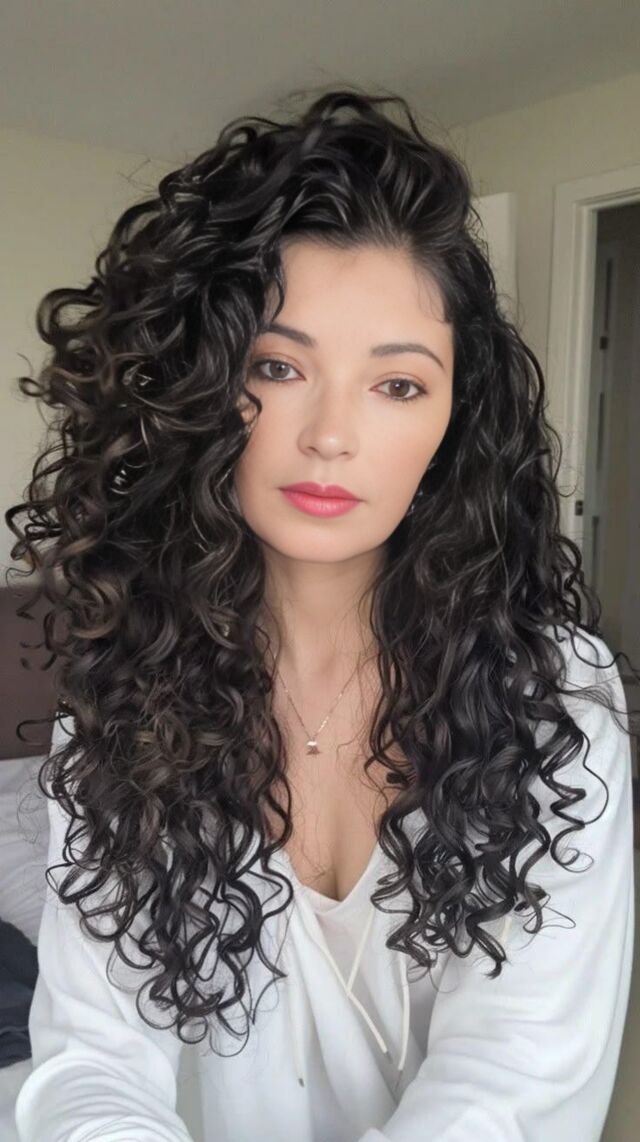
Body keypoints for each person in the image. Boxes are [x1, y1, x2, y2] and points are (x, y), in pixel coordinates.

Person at [6, 86, 638, 1142]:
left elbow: (513, 1086)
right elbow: (92, 1058)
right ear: (200, 390)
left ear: (452, 423)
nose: (332, 433)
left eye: (398, 385)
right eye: (278, 366)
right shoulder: (125, 697)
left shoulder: (552, 697)